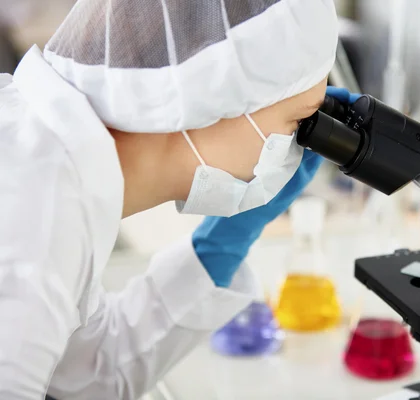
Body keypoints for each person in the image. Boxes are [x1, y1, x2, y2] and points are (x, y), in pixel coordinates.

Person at [0, 0, 359, 398]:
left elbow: (84, 377)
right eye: (299, 121)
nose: (297, 145)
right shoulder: (36, 221)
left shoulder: (55, 175)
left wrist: (218, 249)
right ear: (209, 97)